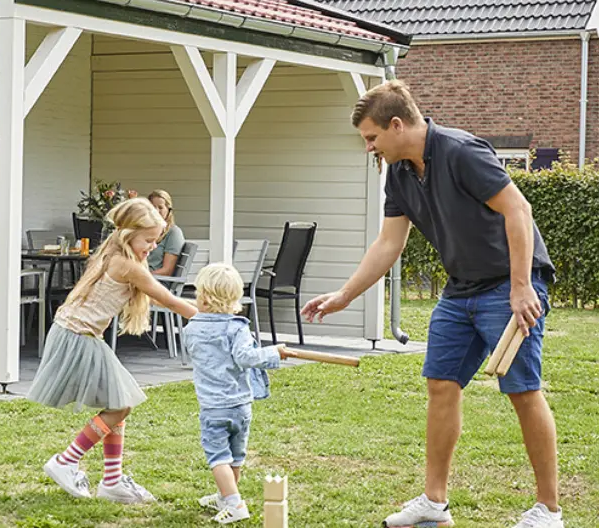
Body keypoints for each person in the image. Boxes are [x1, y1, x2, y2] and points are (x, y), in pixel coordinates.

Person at [301, 80, 563, 528]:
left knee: (522, 389)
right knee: (440, 384)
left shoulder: (462, 151)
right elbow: (388, 244)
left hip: (510, 285)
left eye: (371, 137)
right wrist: (345, 295)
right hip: (461, 288)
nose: (369, 148)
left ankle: (548, 510)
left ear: (397, 124)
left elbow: (518, 210)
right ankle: (434, 503)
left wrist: (523, 288)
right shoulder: (399, 174)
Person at [31, 197, 199, 504]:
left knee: (118, 401)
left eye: (156, 240)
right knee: (120, 406)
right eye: (148, 240)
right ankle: (67, 460)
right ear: (128, 234)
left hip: (75, 333)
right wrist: (212, 316)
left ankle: (112, 481)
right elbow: (170, 300)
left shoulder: (111, 253)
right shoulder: (126, 265)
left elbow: (165, 301)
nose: (152, 246)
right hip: (78, 336)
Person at [183, 263, 292, 524]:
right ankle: (227, 495)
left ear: (205, 298)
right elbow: (248, 357)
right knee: (235, 454)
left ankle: (235, 503)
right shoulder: (238, 328)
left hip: (214, 407)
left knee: (218, 457)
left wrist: (270, 352)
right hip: (241, 406)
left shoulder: (192, 329)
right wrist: (273, 352)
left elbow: (235, 357)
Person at [145, 190, 185, 276]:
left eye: (160, 207)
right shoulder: (144, 231)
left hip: (158, 281)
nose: (156, 211)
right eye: (153, 207)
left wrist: (141, 277)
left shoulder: (173, 233)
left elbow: (167, 271)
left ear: (168, 210)